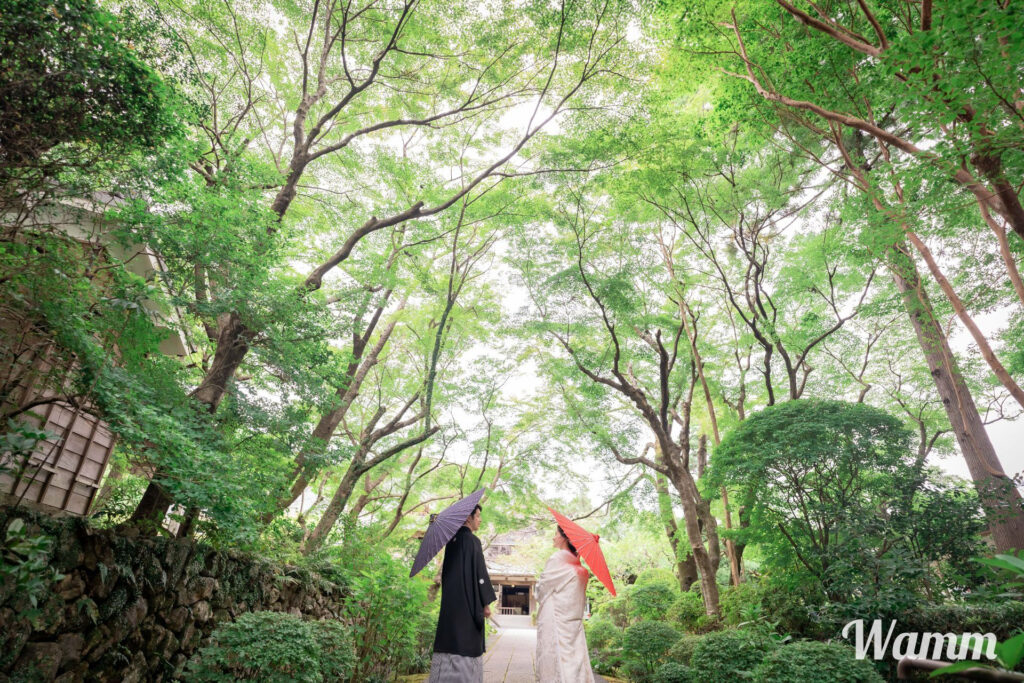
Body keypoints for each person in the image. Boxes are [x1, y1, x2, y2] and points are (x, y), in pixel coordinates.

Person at [429, 504, 497, 683]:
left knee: (450, 637)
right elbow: (480, 574)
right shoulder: (472, 541)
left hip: (451, 606)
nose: (480, 520)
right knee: (466, 639)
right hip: (467, 606)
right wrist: (485, 602)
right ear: (468, 518)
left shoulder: (450, 542)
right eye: (478, 516)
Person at [535, 525, 595, 683]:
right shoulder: (579, 566)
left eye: (555, 534)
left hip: (556, 616)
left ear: (564, 537)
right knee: (575, 659)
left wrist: (537, 588)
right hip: (573, 618)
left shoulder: (557, 558)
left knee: (554, 655)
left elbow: (542, 588)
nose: (553, 537)